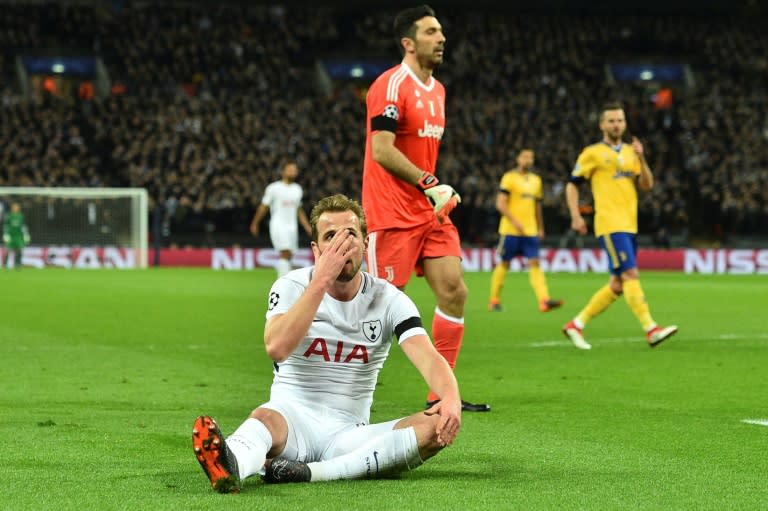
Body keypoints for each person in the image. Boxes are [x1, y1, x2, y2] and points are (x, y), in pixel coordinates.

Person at [193, 194, 462, 493]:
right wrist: (321, 280)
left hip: (349, 434)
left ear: (366, 243)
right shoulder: (292, 286)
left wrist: (450, 397)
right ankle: (232, 466)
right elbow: (276, 347)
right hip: (289, 420)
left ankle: (309, 473)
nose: (341, 245)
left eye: (350, 235)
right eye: (330, 237)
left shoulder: (389, 299)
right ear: (316, 249)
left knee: (437, 426)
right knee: (263, 418)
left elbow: (427, 356)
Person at [361, 5, 489, 412]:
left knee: (454, 291)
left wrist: (432, 190)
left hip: (428, 210)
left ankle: (441, 394)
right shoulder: (390, 84)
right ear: (409, 43)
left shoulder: (438, 91)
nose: (442, 38)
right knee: (378, 307)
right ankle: (341, 389)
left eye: (442, 32)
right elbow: (382, 150)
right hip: (391, 212)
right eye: (432, 32)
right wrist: (430, 182)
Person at [562, 103, 678, 350]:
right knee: (631, 275)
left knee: (617, 285)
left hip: (630, 224)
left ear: (625, 124)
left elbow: (646, 184)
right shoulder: (591, 153)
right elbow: (572, 184)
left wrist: (642, 157)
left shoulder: (630, 152)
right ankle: (651, 329)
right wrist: (575, 215)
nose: (616, 125)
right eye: (612, 121)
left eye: (620, 120)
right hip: (610, 224)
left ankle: (576, 324)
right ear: (602, 125)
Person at [488, 149, 563, 313]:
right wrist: (515, 221)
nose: (528, 160)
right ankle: (494, 300)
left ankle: (544, 300)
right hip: (511, 231)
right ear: (518, 159)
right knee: (505, 264)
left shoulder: (536, 180)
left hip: (530, 231)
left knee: (535, 263)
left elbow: (537, 206)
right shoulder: (509, 178)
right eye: (525, 157)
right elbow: (501, 203)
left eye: (531, 157)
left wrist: (540, 227)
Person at [250, 160, 312, 277]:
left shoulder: (297, 189)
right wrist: (255, 223)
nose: (293, 172)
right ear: (283, 172)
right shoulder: (273, 188)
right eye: (290, 169)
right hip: (278, 225)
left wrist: (307, 226)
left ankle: (286, 281)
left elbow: (299, 210)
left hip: (292, 227)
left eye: (294, 170)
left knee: (289, 254)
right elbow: (263, 207)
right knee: (285, 252)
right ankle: (282, 284)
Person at [3, 203, 30, 270]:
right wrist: (6, 234)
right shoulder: (8, 216)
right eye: (14, 207)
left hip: (18, 236)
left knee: (19, 250)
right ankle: (5, 265)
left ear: (18, 208)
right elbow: (6, 226)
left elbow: (23, 226)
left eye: (16, 207)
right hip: (11, 236)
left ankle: (17, 264)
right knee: (8, 250)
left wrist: (26, 235)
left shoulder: (21, 216)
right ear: (12, 208)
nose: (15, 208)